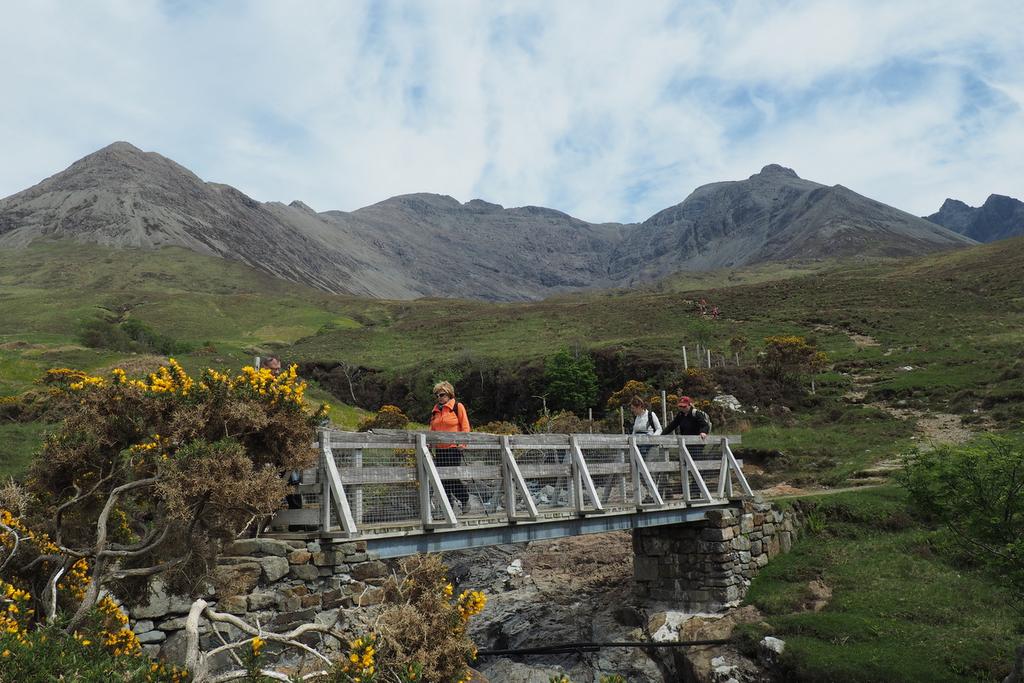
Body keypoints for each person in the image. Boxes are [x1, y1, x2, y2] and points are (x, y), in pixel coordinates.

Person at [429, 381, 471, 512]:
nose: (439, 398)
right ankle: (448, 507)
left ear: (449, 394)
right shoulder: (435, 411)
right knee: (442, 478)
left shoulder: (458, 407)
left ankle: (464, 499)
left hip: (454, 448)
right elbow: (432, 429)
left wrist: (463, 443)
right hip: (440, 449)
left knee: (451, 476)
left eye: (441, 394)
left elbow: (465, 426)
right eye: (437, 395)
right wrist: (430, 443)